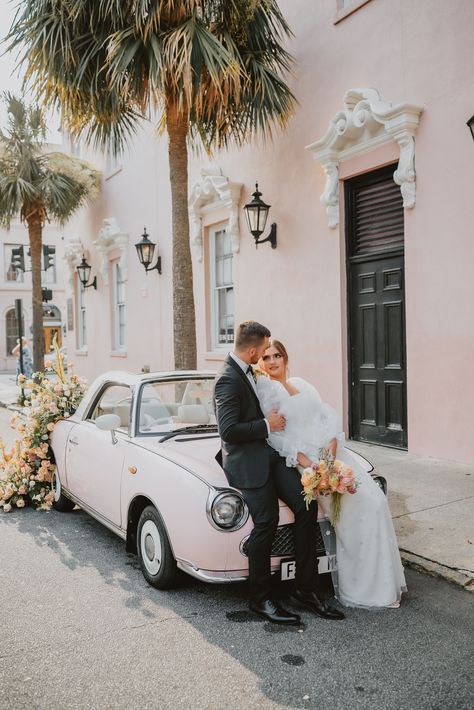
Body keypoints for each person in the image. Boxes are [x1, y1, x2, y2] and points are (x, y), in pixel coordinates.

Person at [257, 339, 407, 609]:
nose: (272, 361)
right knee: (353, 515)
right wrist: (312, 464)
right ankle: (363, 589)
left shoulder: (302, 385)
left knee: (376, 502)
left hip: (333, 456)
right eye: (266, 357)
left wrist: (331, 447)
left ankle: (382, 583)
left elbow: (325, 416)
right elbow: (277, 439)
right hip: (309, 465)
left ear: (285, 357)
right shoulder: (266, 392)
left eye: (277, 355)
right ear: (261, 363)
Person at [214, 321, 345, 624]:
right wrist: (266, 425)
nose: (265, 357)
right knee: (267, 520)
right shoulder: (227, 379)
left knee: (305, 503)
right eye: (262, 351)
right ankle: (260, 599)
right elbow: (229, 431)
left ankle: (306, 589)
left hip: (269, 454)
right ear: (251, 350)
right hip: (247, 462)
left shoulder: (246, 371)